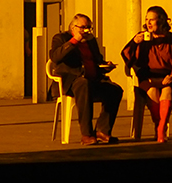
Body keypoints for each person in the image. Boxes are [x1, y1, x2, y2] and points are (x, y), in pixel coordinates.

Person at [49, 14, 124, 145]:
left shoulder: (91, 40)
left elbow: (98, 60)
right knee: (83, 84)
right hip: (72, 80)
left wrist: (106, 66)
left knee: (115, 90)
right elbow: (55, 57)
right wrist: (74, 41)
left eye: (89, 27)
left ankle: (102, 130)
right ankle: (87, 134)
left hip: (93, 79)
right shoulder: (61, 38)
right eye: (83, 27)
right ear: (73, 27)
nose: (87, 31)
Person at [121, 6, 172, 143]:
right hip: (148, 77)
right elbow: (126, 55)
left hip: (167, 77)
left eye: (152, 19)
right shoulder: (142, 38)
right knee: (152, 91)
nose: (148, 23)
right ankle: (159, 126)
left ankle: (161, 128)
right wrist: (134, 43)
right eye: (147, 20)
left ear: (161, 21)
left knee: (167, 91)